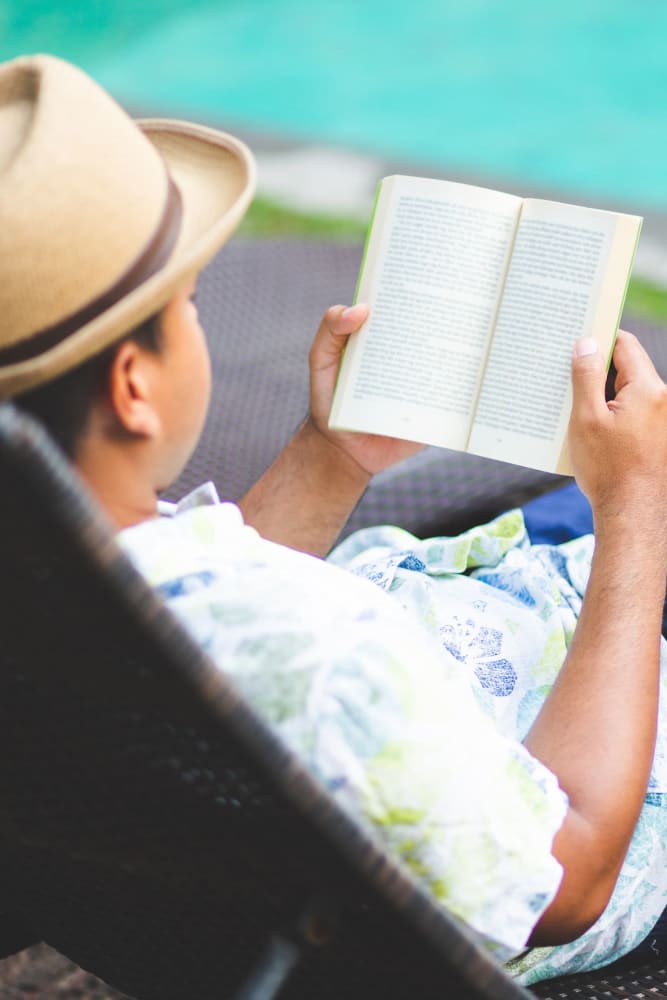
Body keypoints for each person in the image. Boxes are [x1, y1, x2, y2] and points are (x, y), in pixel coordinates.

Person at [2, 53, 666, 987]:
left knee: (571, 505)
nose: (200, 316)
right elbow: (567, 875)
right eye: (187, 304)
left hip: (279, 866)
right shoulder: (327, 653)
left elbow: (189, 644)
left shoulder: (51, 579)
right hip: (589, 833)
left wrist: (331, 455)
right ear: (133, 386)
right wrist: (637, 508)